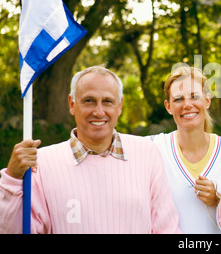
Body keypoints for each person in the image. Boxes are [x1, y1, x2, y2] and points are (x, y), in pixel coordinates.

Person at [0, 66, 180, 234]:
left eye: (107, 101)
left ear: (119, 106)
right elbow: (14, 230)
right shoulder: (42, 163)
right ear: (72, 104)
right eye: (89, 101)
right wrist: (13, 179)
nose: (99, 112)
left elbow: (167, 229)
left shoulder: (146, 153)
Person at [148, 65, 221, 233]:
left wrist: (217, 201)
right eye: (178, 99)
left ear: (207, 100)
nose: (187, 105)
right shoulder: (152, 148)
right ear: (168, 106)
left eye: (194, 96)